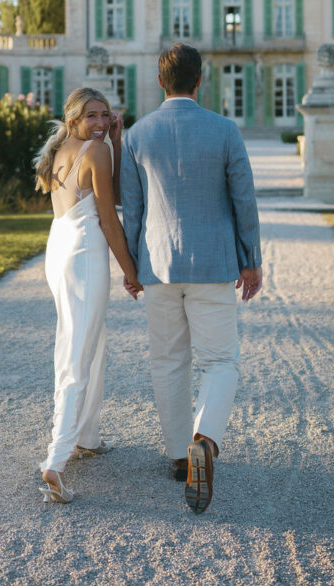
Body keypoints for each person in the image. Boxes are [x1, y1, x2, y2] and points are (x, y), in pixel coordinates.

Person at [120, 44, 262, 513]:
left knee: (168, 362)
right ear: (200, 81)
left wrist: (131, 269)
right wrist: (251, 260)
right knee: (221, 361)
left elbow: (133, 213)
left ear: (161, 82)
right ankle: (207, 438)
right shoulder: (224, 130)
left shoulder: (138, 135)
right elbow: (243, 200)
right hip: (213, 265)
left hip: (158, 267)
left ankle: (181, 456)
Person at [34, 86, 142, 504]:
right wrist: (131, 272)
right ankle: (55, 461)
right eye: (92, 116)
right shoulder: (94, 152)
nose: (99, 122)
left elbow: (107, 190)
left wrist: (114, 139)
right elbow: (110, 218)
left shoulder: (66, 147)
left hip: (59, 248)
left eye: (105, 115)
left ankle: (87, 438)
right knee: (77, 355)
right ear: (74, 118)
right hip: (82, 254)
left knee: (88, 343)